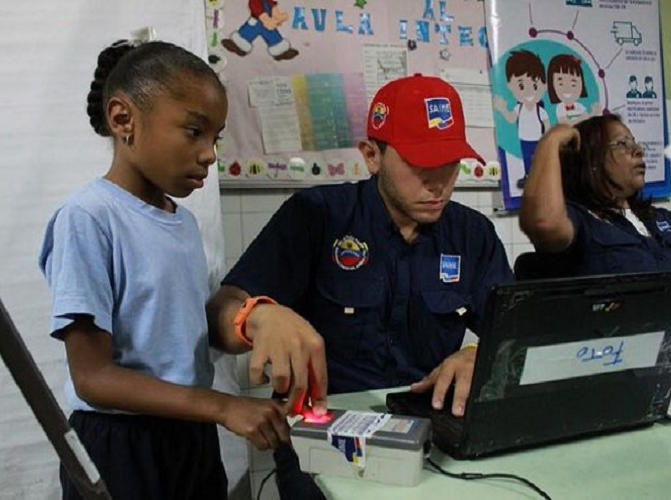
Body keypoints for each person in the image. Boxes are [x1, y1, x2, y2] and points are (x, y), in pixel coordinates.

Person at [39, 38, 289, 500]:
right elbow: (92, 377)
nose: (210, 154)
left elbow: (187, 334)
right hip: (121, 446)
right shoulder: (90, 218)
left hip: (189, 436)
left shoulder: (185, 223)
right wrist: (223, 406)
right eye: (194, 132)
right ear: (123, 119)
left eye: (215, 137)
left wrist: (262, 324)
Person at [207, 74, 514, 420]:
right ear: (372, 156)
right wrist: (257, 316)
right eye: (420, 164)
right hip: (327, 427)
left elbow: (518, 334)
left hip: (432, 421)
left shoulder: (473, 234)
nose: (438, 183)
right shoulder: (318, 216)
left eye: (451, 163)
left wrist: (480, 354)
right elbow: (219, 313)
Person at [519, 114, 671, 277]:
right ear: (593, 161)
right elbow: (545, 223)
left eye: (635, 142)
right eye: (622, 144)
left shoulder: (660, 219)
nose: (639, 150)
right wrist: (550, 141)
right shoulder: (581, 221)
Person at [493, 49, 549, 188]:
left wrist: (547, 139)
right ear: (510, 87)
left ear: (544, 85)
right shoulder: (519, 108)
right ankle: (528, 176)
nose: (529, 91)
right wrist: (503, 109)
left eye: (535, 85)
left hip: (538, 140)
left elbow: (547, 126)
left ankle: (541, 177)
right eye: (522, 85)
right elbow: (512, 119)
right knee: (526, 160)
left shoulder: (540, 111)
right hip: (524, 139)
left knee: (538, 159)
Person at [547, 53, 601, 125]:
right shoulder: (560, 108)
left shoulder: (580, 106)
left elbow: (586, 121)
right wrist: (591, 115)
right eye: (561, 84)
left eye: (573, 84)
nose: (567, 89)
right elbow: (567, 123)